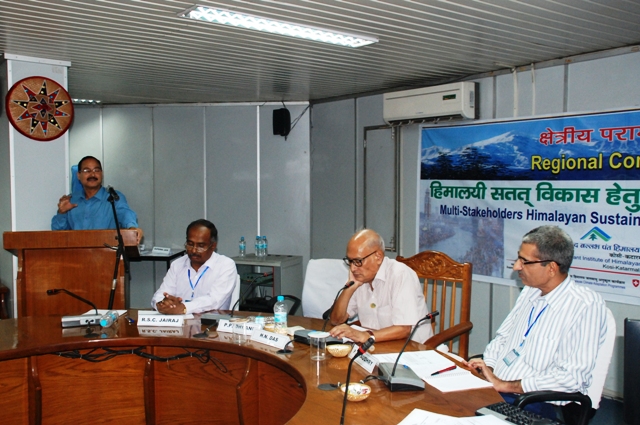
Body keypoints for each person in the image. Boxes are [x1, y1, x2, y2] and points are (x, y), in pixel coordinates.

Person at [467, 225, 608, 422]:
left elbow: (571, 378)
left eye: (524, 261)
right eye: (518, 259)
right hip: (499, 390)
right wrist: (488, 368)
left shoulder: (585, 305)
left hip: (538, 401)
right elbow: (502, 338)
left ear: (551, 268)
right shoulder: (530, 291)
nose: (516, 267)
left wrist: (506, 385)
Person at [329, 229, 432, 344]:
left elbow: (404, 329)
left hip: (412, 347)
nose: (353, 268)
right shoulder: (359, 277)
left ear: (378, 257)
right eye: (350, 261)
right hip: (377, 345)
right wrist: (349, 288)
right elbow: (336, 321)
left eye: (358, 261)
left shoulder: (400, 274)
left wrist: (365, 336)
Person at [152, 219, 237, 315]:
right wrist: (162, 304)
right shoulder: (177, 264)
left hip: (211, 322)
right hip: (179, 321)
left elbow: (214, 300)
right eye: (190, 244)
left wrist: (183, 308)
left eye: (200, 246)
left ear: (213, 246)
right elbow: (160, 294)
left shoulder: (225, 265)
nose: (194, 250)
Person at [51, 156, 143, 244]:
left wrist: (132, 228)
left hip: (107, 252)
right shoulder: (71, 200)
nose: (92, 174)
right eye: (87, 170)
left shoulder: (113, 197)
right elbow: (58, 235)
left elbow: (125, 214)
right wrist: (61, 213)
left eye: (96, 170)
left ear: (101, 174)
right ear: (79, 175)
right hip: (76, 253)